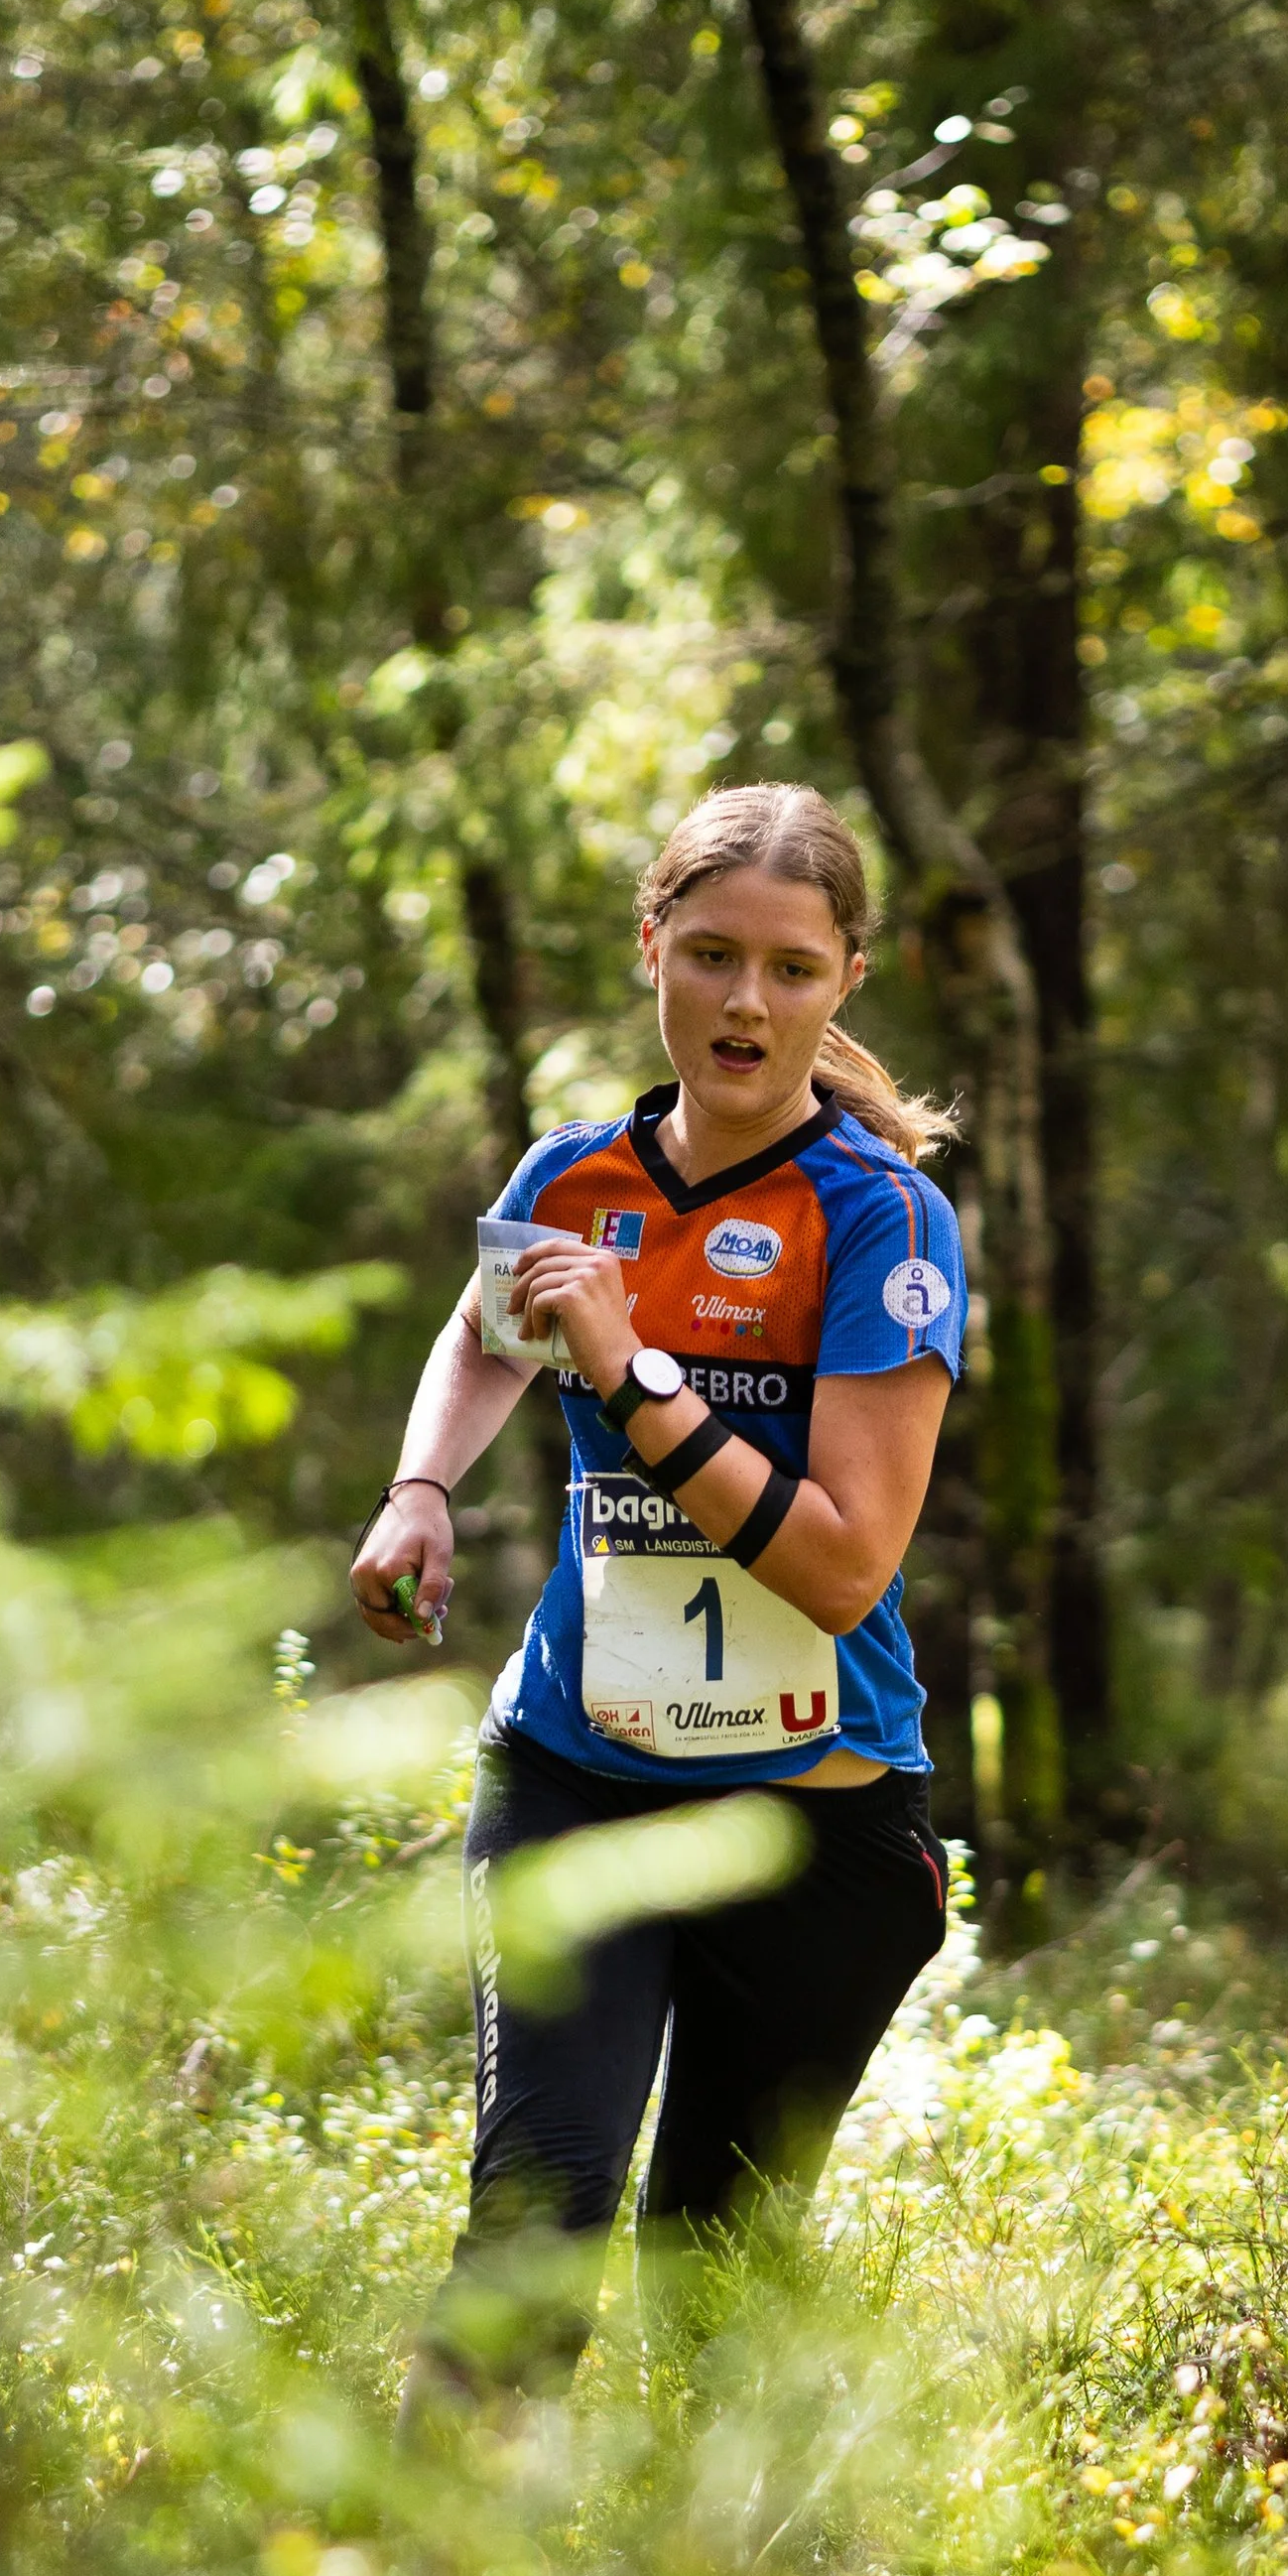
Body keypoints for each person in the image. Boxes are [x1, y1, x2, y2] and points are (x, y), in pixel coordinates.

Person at [349, 783, 967, 2414]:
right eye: (709, 956)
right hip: (579, 1775)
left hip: (813, 1824)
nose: (745, 1004)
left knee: (716, 2286)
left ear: (845, 978)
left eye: (787, 966)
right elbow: (489, 1329)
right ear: (652, 949)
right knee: (530, 2230)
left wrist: (633, 1377)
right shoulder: (578, 1174)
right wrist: (424, 1487)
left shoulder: (881, 1219)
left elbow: (842, 1569)